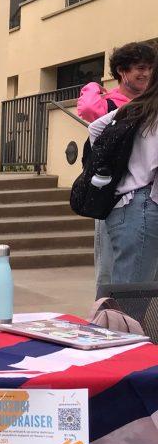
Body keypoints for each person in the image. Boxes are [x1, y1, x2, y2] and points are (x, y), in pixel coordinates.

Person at [77, 42, 156, 291]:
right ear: (122, 72)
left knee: (134, 284)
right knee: (117, 279)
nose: (146, 74)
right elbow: (92, 119)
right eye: (139, 68)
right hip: (125, 195)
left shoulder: (143, 106)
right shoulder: (118, 105)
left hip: (130, 198)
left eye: (150, 69)